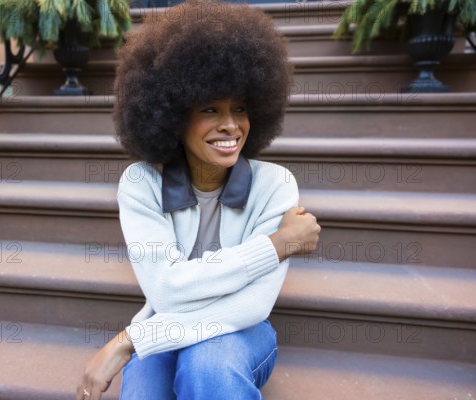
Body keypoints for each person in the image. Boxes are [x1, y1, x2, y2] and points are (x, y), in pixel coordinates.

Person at [77, 1, 320, 398]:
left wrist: (130, 340)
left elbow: (251, 306)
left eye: (239, 108)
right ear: (173, 115)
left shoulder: (276, 185)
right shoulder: (141, 184)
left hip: (243, 332)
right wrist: (275, 246)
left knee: (207, 367)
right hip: (163, 321)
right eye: (210, 109)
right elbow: (167, 291)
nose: (230, 125)